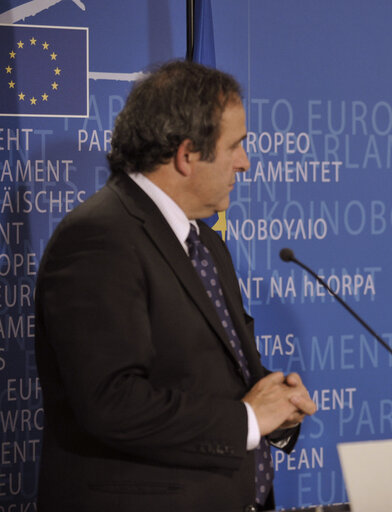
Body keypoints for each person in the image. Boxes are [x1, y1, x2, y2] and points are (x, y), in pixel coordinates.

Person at [34, 60, 317, 512]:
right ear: (187, 155)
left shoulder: (204, 241)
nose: (245, 163)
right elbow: (110, 401)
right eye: (236, 146)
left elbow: (211, 373)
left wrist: (275, 407)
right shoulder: (99, 237)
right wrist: (245, 419)